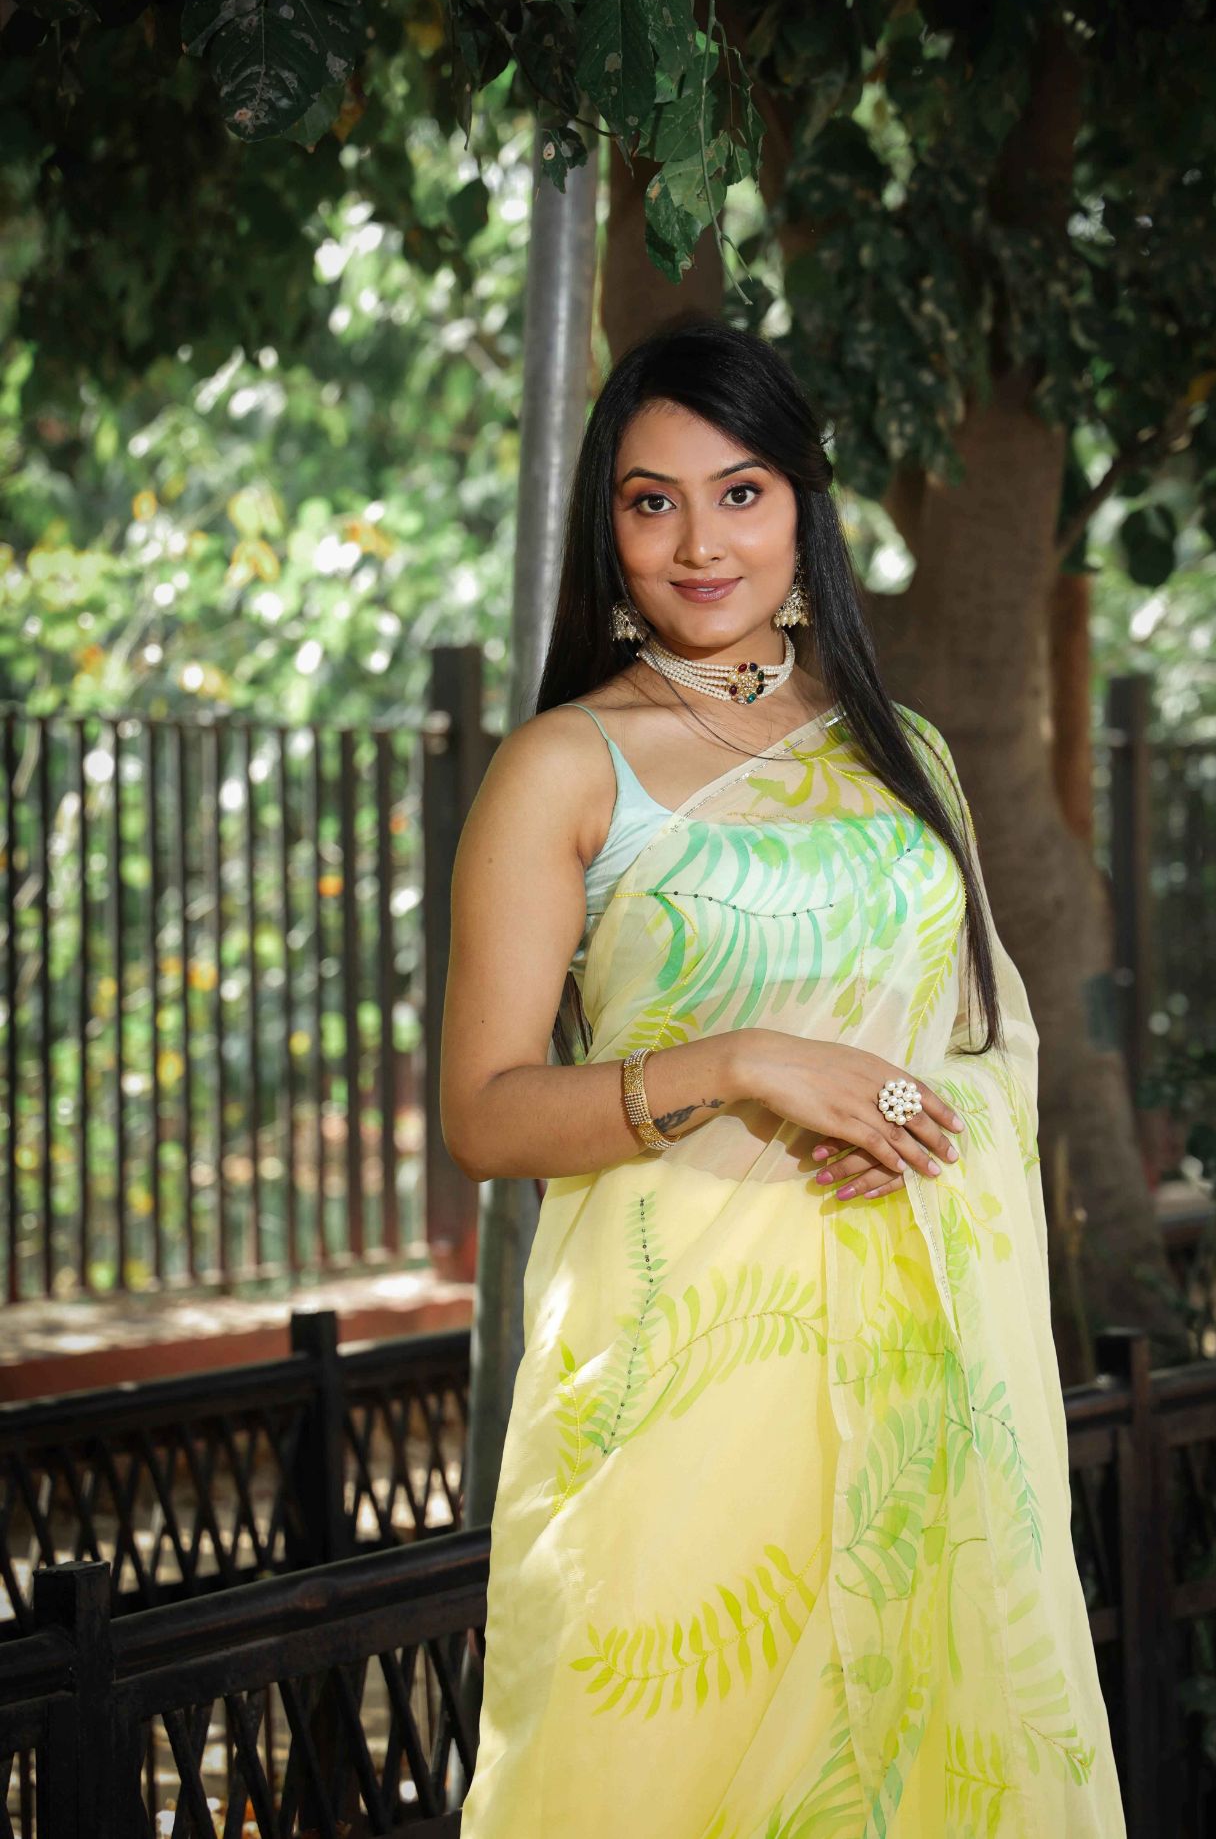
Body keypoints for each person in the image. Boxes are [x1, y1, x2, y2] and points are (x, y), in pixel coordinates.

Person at [442, 313, 1126, 1837]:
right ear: (607, 526)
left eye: (740, 492)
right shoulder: (566, 765)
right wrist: (744, 1062)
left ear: (804, 508)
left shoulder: (903, 755)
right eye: (652, 501)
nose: (700, 543)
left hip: (916, 1378)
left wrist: (904, 1118)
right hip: (676, 1382)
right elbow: (483, 1112)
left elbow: (981, 1051)